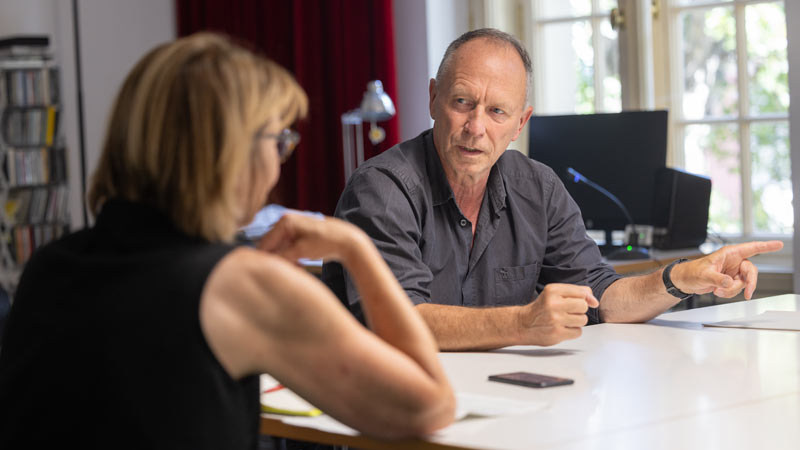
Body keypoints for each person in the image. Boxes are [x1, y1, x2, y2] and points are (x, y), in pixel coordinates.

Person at [0, 33, 454, 449]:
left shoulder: (48, 266)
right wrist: (356, 249)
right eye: (278, 141)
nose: (279, 165)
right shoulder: (241, 285)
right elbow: (429, 406)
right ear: (230, 152)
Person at [322, 28, 783, 351]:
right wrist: (523, 322)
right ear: (432, 99)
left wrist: (679, 277)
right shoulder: (382, 189)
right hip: (393, 413)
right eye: (463, 102)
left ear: (521, 122)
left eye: (498, 112)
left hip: (504, 403)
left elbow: (600, 295)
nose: (476, 127)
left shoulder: (537, 186)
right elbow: (395, 321)